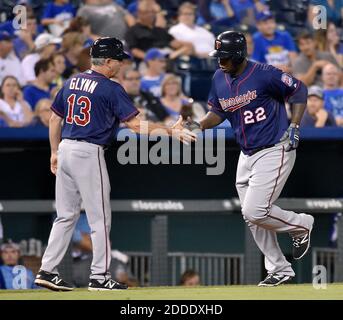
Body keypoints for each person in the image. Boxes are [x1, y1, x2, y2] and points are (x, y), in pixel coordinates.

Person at [34, 37, 196, 291]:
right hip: (89, 152)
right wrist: (170, 131)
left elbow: (55, 119)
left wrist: (54, 151)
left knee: (65, 216)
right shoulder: (110, 87)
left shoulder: (72, 80)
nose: (120, 64)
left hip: (65, 148)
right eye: (118, 60)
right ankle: (100, 276)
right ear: (107, 61)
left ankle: (46, 270)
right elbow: (134, 125)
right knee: (100, 219)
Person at [185, 31, 314, 287]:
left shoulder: (264, 73)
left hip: (273, 148)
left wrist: (296, 125)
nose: (220, 61)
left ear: (239, 55)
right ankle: (280, 268)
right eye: (218, 56)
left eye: (224, 57)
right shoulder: (219, 77)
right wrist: (199, 125)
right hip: (246, 154)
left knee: (255, 211)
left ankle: (302, 225)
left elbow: (299, 90)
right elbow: (218, 112)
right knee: (251, 215)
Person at [125, 0, 194, 61]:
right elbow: (134, 51)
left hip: (168, 59)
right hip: (148, 62)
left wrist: (174, 54)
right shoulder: (132, 31)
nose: (151, 15)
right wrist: (151, 59)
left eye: (152, 12)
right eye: (147, 12)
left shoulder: (160, 30)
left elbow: (179, 44)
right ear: (139, 14)